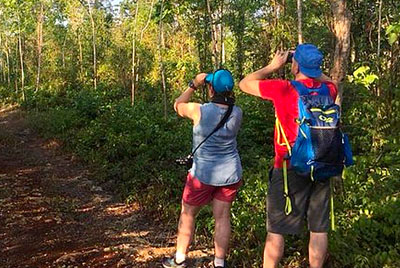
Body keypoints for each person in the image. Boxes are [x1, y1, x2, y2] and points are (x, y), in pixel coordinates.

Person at [238, 44, 337, 268]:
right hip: (322, 163)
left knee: (276, 231)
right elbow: (332, 81)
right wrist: (313, 68)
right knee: (319, 229)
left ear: (295, 65)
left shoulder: (284, 88)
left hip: (288, 167)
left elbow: (244, 84)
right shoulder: (329, 91)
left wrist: (273, 66)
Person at [162, 69, 243, 268]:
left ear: (210, 88)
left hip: (202, 174)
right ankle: (219, 263)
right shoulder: (237, 112)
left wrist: (193, 84)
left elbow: (177, 105)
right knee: (222, 217)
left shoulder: (199, 110)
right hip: (231, 173)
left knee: (188, 213)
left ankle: (180, 258)